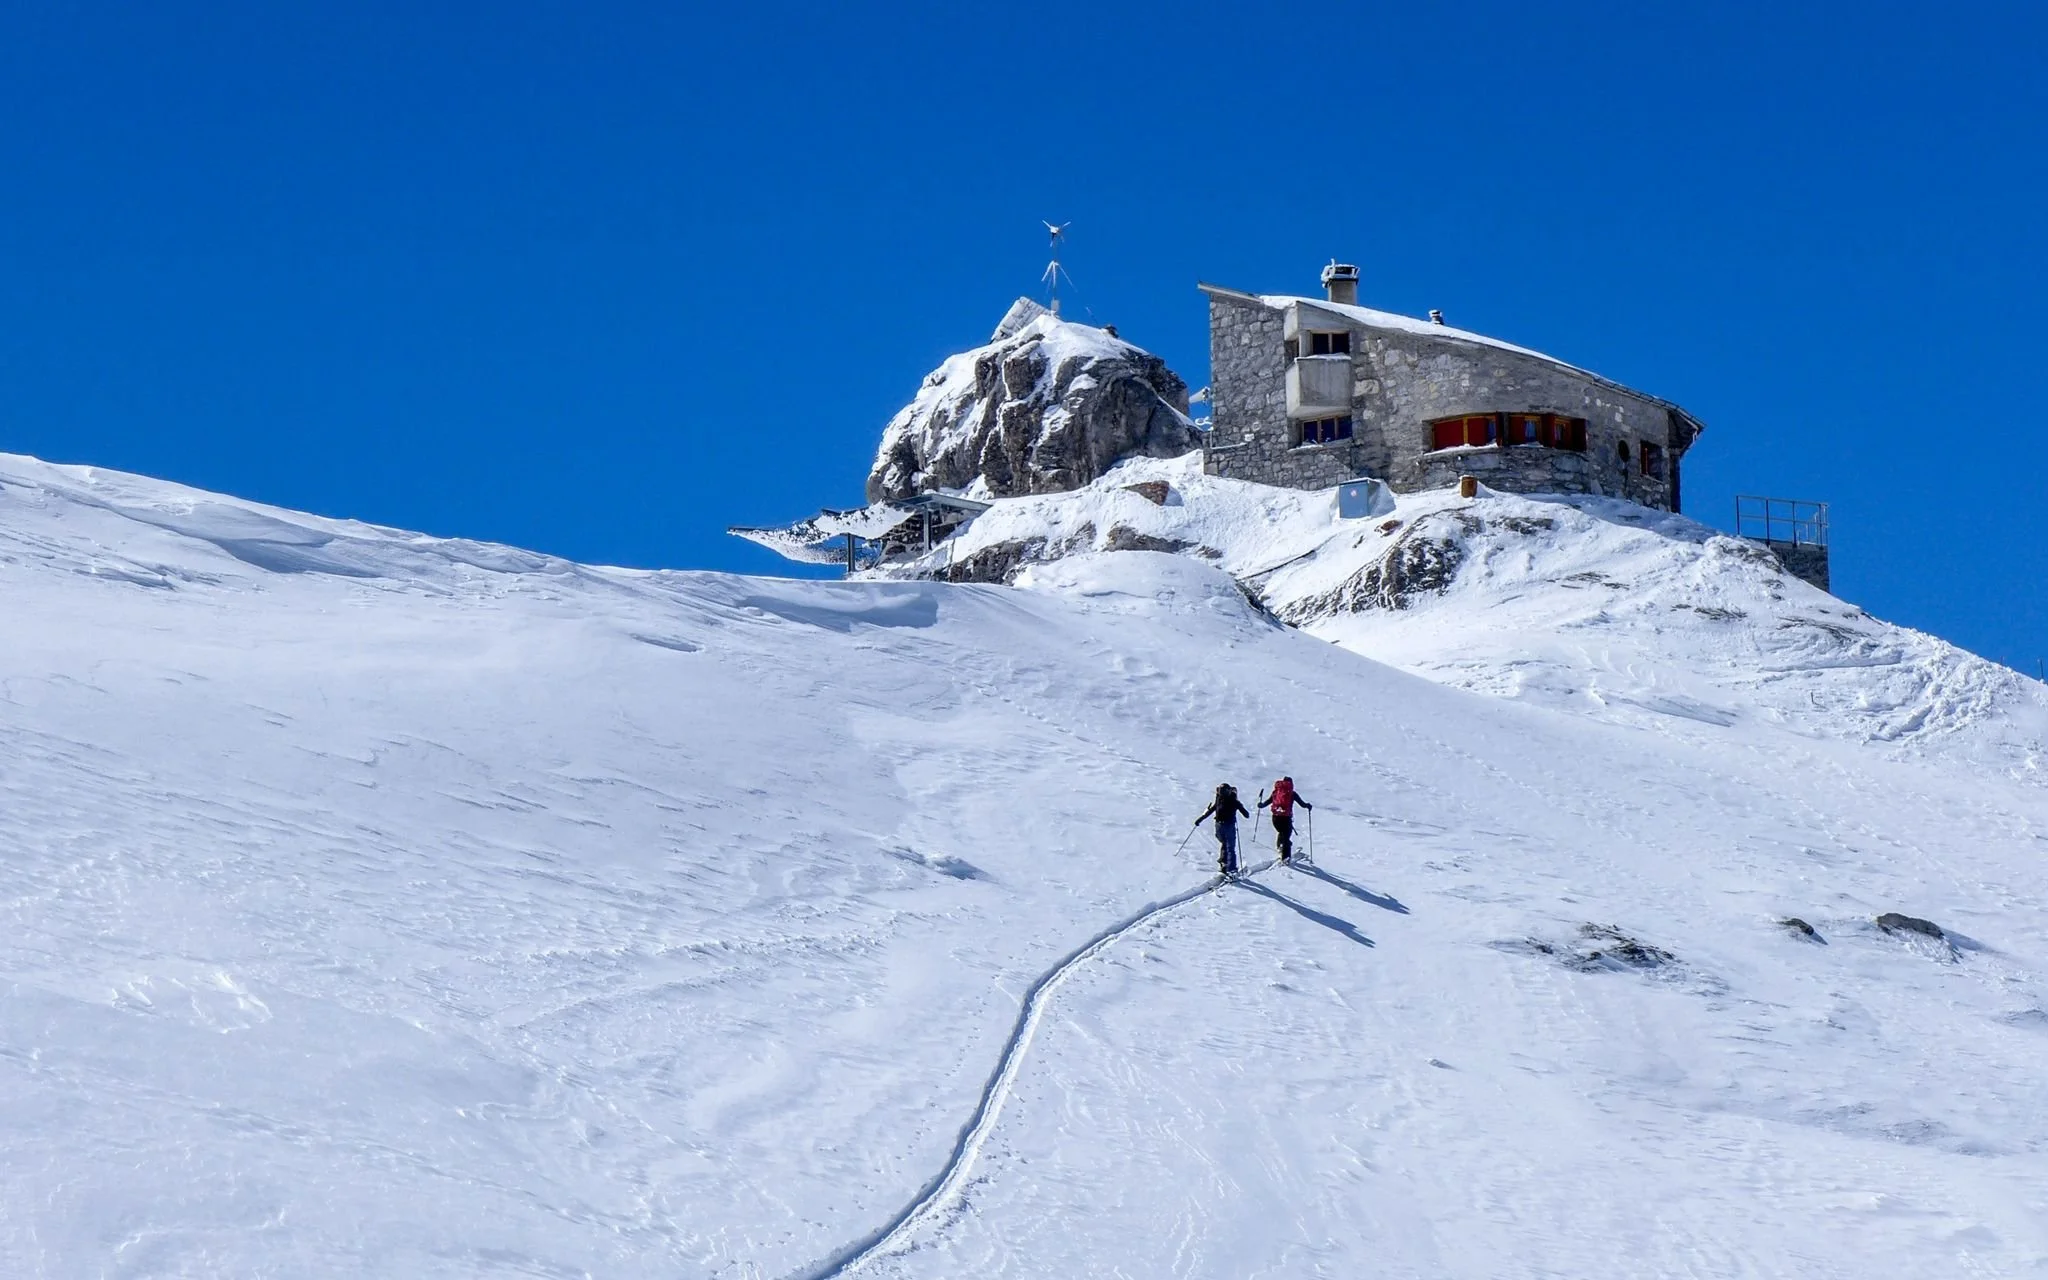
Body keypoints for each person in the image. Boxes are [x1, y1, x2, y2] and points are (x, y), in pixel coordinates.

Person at [1194, 782, 1250, 877]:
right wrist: (1240, 807)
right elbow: (1246, 815)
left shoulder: (1219, 798)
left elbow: (1212, 810)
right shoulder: (1233, 801)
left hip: (1218, 826)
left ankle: (1224, 864)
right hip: (1229, 826)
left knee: (1224, 844)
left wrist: (1200, 819)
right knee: (1230, 848)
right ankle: (1231, 870)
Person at [1257, 776, 1313, 865]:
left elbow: (1267, 802)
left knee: (1281, 832)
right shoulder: (1292, 794)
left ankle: (1280, 847)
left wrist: (1261, 805)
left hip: (1275, 818)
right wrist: (1308, 806)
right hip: (1286, 818)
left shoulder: (1276, 793)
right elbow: (1302, 804)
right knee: (1286, 837)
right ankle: (1285, 858)